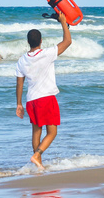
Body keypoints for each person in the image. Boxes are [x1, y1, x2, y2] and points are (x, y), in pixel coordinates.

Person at [15, 12, 72, 170]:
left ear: (28, 42)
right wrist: (62, 21)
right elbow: (67, 41)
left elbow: (19, 83)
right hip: (46, 98)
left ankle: (38, 163)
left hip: (31, 100)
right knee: (52, 132)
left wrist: (19, 104)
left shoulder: (22, 60)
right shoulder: (47, 54)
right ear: (41, 41)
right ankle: (37, 154)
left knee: (36, 131)